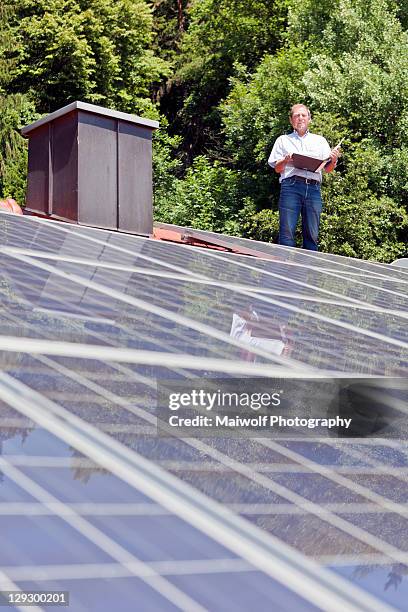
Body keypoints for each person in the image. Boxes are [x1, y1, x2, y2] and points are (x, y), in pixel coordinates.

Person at [268, 104, 340, 251]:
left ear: (309, 119)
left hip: (313, 188)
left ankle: (307, 272)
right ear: (291, 120)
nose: (300, 118)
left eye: (303, 115)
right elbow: (277, 168)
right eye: (296, 115)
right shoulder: (283, 140)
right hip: (291, 187)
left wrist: (333, 160)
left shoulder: (320, 141)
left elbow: (328, 169)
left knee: (312, 234)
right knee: (287, 232)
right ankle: (284, 270)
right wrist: (286, 160)